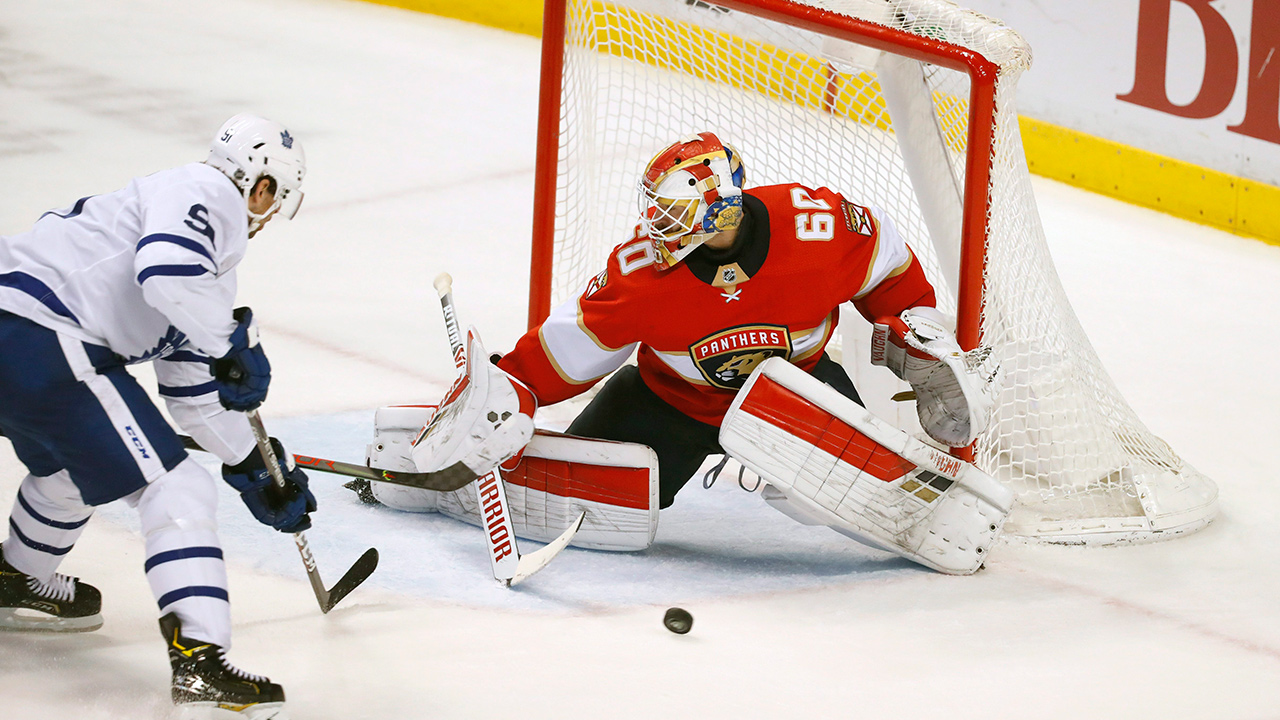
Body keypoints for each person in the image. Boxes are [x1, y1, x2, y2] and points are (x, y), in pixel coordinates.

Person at [0, 114, 316, 718]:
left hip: (22, 339)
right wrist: (232, 343)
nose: (268, 215)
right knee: (175, 487)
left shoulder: (204, 271)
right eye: (274, 200)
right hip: (40, 336)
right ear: (263, 186)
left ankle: (17, 577)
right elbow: (165, 275)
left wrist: (256, 464)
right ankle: (200, 664)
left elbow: (194, 399)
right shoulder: (205, 194)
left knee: (76, 468)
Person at [494, 131, 969, 509]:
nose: (658, 225)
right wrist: (508, 390)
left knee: (882, 501)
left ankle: (906, 495)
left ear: (720, 209)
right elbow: (569, 348)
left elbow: (885, 265)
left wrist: (917, 329)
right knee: (573, 497)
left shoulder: (815, 231)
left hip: (801, 397)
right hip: (671, 405)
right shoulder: (641, 278)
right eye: (660, 211)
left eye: (675, 213)